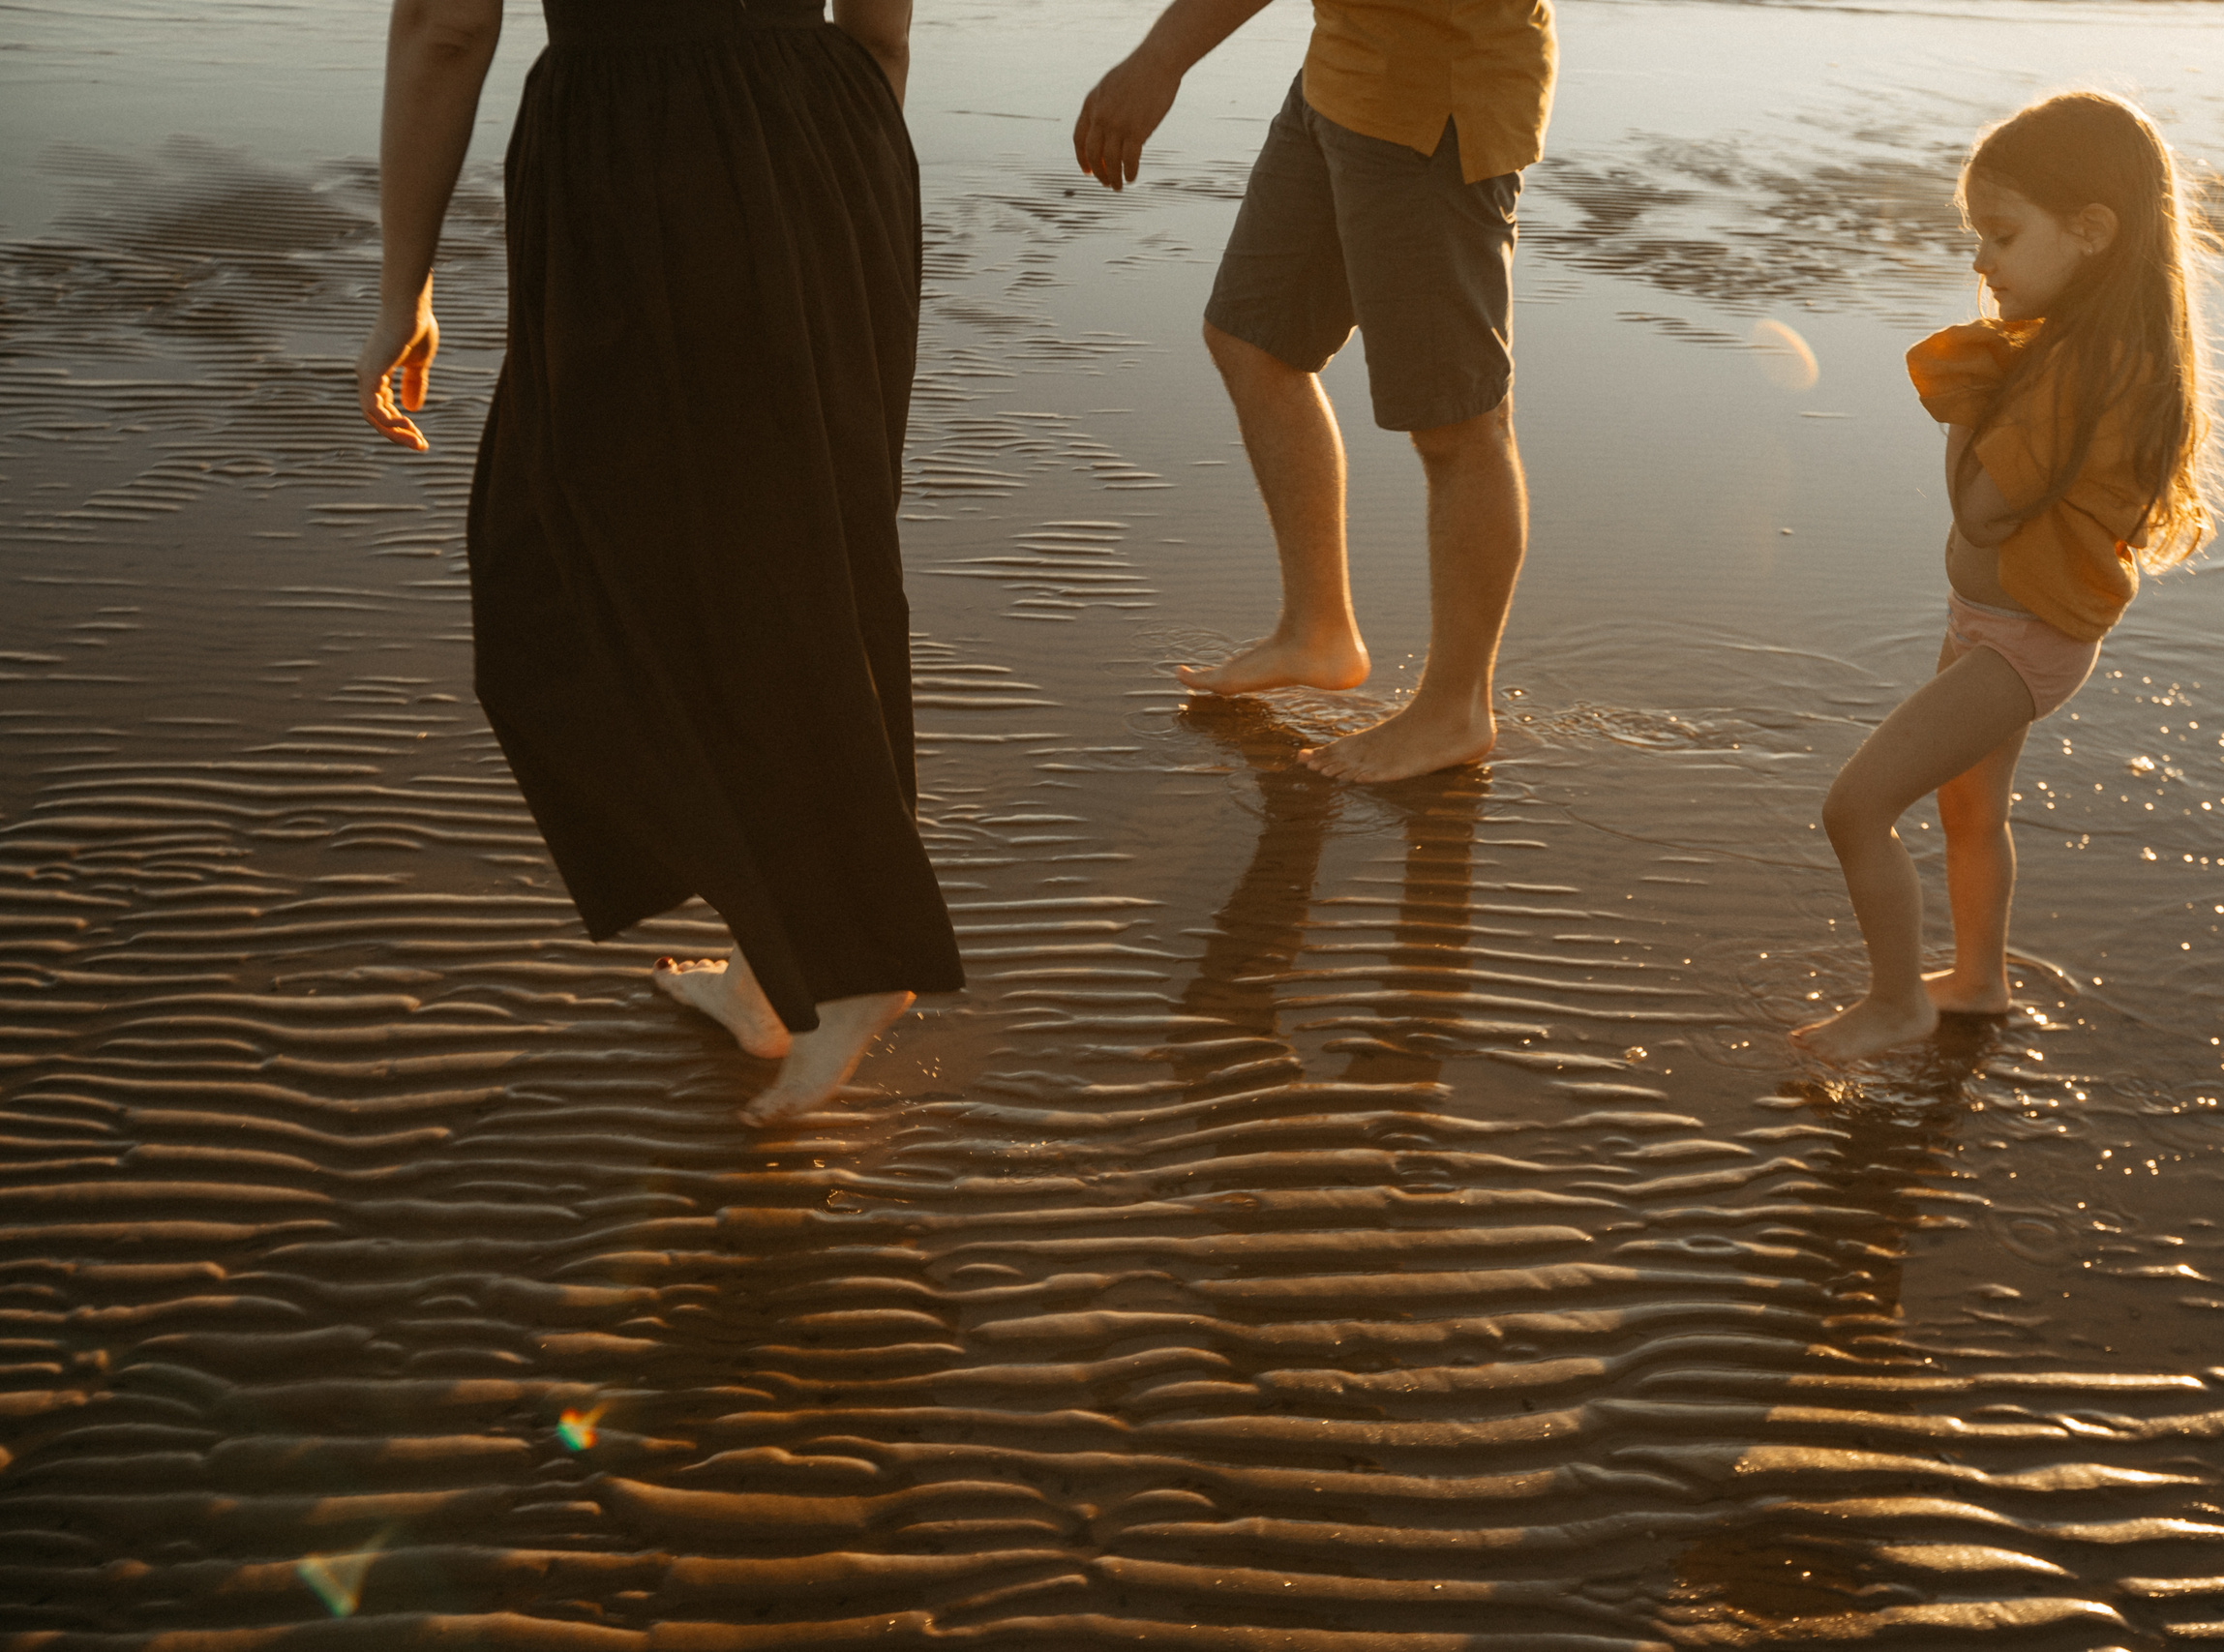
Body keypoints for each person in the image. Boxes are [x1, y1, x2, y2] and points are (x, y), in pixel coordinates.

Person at [355, 0, 964, 1126]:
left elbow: (446, 24)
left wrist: (406, 283)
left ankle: (851, 954)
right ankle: (784, 959)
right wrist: (829, 188)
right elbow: (879, 28)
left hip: (638, 149)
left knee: (569, 567)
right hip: (837, 139)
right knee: (808, 550)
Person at [1791, 91, 2224, 1064]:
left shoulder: (2082, 368)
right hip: (1998, 619)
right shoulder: (2080, 346)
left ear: (2089, 233)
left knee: (1855, 807)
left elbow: (1981, 509)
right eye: (1976, 235)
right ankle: (1979, 979)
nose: (1979, 260)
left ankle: (1896, 1002)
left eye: (2000, 233)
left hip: (2024, 637)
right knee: (1967, 807)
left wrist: (1959, 403)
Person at [1073, 0, 1554, 783]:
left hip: (1438, 95)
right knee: (1252, 339)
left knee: (1458, 424)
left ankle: (1456, 708)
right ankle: (1317, 628)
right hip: (1342, 74)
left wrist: (1159, 60)